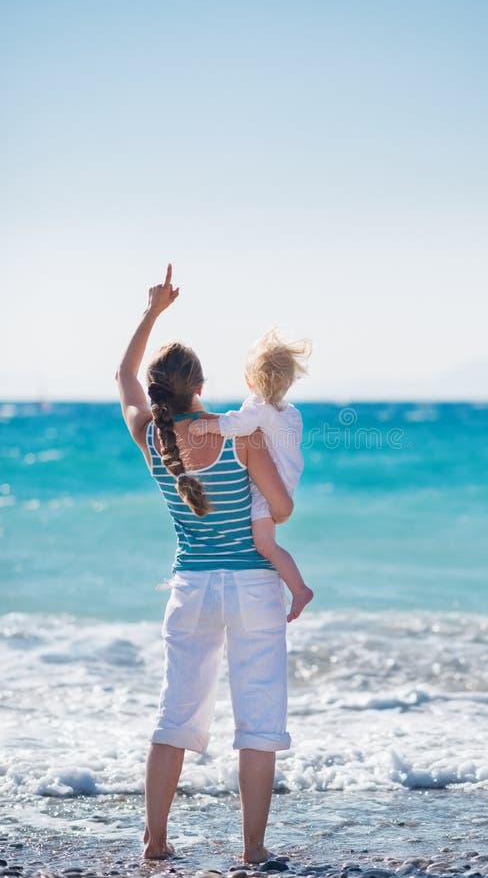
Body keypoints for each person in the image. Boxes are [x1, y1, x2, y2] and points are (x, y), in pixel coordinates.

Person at [115, 264, 294, 864]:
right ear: (200, 384)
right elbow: (281, 508)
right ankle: (252, 849)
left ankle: (156, 840)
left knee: (175, 714)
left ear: (159, 390)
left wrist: (152, 312)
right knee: (258, 716)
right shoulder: (239, 435)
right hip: (251, 586)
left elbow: (122, 377)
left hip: (190, 586)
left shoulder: (151, 439)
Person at [189, 328, 314, 622]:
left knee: (265, 544)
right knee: (267, 538)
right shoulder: (291, 412)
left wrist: (206, 426)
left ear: (250, 381)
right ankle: (286, 583)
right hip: (287, 479)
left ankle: (299, 588)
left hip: (268, 489)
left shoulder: (257, 409)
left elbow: (235, 425)